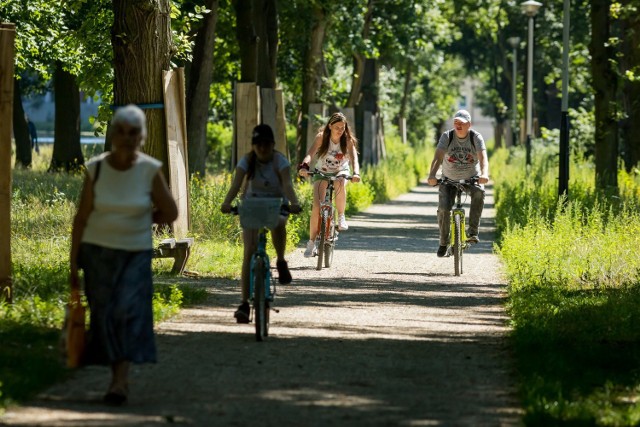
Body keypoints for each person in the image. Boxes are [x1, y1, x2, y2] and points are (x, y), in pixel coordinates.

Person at [70, 104, 178, 405]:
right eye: (121, 131)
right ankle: (114, 373)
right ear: (113, 134)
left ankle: (119, 381)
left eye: (133, 132)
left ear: (142, 136)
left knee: (126, 314)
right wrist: (72, 260)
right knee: (104, 314)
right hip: (97, 252)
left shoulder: (149, 170)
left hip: (135, 253)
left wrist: (144, 218)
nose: (127, 137)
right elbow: (82, 217)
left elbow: (170, 211)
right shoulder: (97, 168)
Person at [221, 124, 302, 323]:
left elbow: (287, 185)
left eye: (266, 144)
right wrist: (227, 203)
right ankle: (244, 304)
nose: (262, 149)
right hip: (252, 204)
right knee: (248, 251)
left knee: (279, 223)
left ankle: (281, 260)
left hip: (275, 203)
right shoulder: (247, 161)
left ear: (273, 145)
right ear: (253, 146)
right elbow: (236, 185)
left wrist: (294, 203)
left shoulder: (280, 161)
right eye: (258, 145)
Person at [427, 109, 490, 257]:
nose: (458, 125)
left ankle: (473, 232)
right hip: (448, 179)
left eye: (461, 123)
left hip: (471, 178)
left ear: (469, 124)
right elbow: (438, 157)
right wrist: (432, 175)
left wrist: (484, 174)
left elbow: (483, 158)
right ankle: (443, 242)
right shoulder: (447, 136)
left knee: (479, 193)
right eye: (456, 122)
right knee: (443, 209)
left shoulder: (476, 137)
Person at [297, 112, 361, 258]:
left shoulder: (347, 140)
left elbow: (354, 159)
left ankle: (341, 216)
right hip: (323, 171)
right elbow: (310, 154)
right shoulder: (322, 137)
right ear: (330, 126)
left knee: (339, 182)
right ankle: (312, 243)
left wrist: (356, 173)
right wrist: (304, 167)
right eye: (337, 127)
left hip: (341, 171)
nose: (340, 130)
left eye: (343, 127)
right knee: (316, 206)